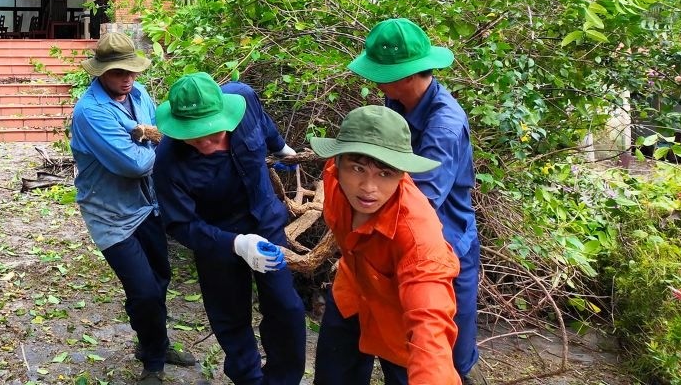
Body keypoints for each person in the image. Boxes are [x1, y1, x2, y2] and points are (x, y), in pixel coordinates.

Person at [344, 17, 482, 382]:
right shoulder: (395, 100)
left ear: (407, 75)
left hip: (443, 244)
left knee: (444, 349)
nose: (372, 79)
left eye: (379, 72)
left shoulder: (444, 126)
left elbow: (420, 201)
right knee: (396, 344)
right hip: (398, 240)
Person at [153, 72, 306, 385]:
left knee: (286, 308)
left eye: (215, 134)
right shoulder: (168, 163)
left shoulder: (243, 98)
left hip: (267, 225)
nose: (208, 144)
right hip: (218, 240)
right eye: (197, 139)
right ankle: (249, 378)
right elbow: (180, 224)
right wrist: (236, 244)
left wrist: (282, 148)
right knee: (230, 316)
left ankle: (282, 379)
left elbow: (263, 125)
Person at [69, 32, 197, 385]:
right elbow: (135, 164)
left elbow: (157, 131)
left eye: (131, 71)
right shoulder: (90, 112)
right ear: (99, 73)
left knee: (159, 280)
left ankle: (153, 343)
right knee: (142, 289)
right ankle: (154, 361)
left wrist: (147, 134)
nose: (127, 78)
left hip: (146, 204)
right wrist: (155, 142)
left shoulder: (138, 94)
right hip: (109, 214)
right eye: (117, 72)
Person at [310, 105, 461, 384]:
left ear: (402, 175)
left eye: (385, 173)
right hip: (351, 296)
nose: (368, 187)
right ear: (338, 163)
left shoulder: (418, 237)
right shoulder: (333, 180)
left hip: (400, 323)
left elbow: (430, 326)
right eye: (357, 168)